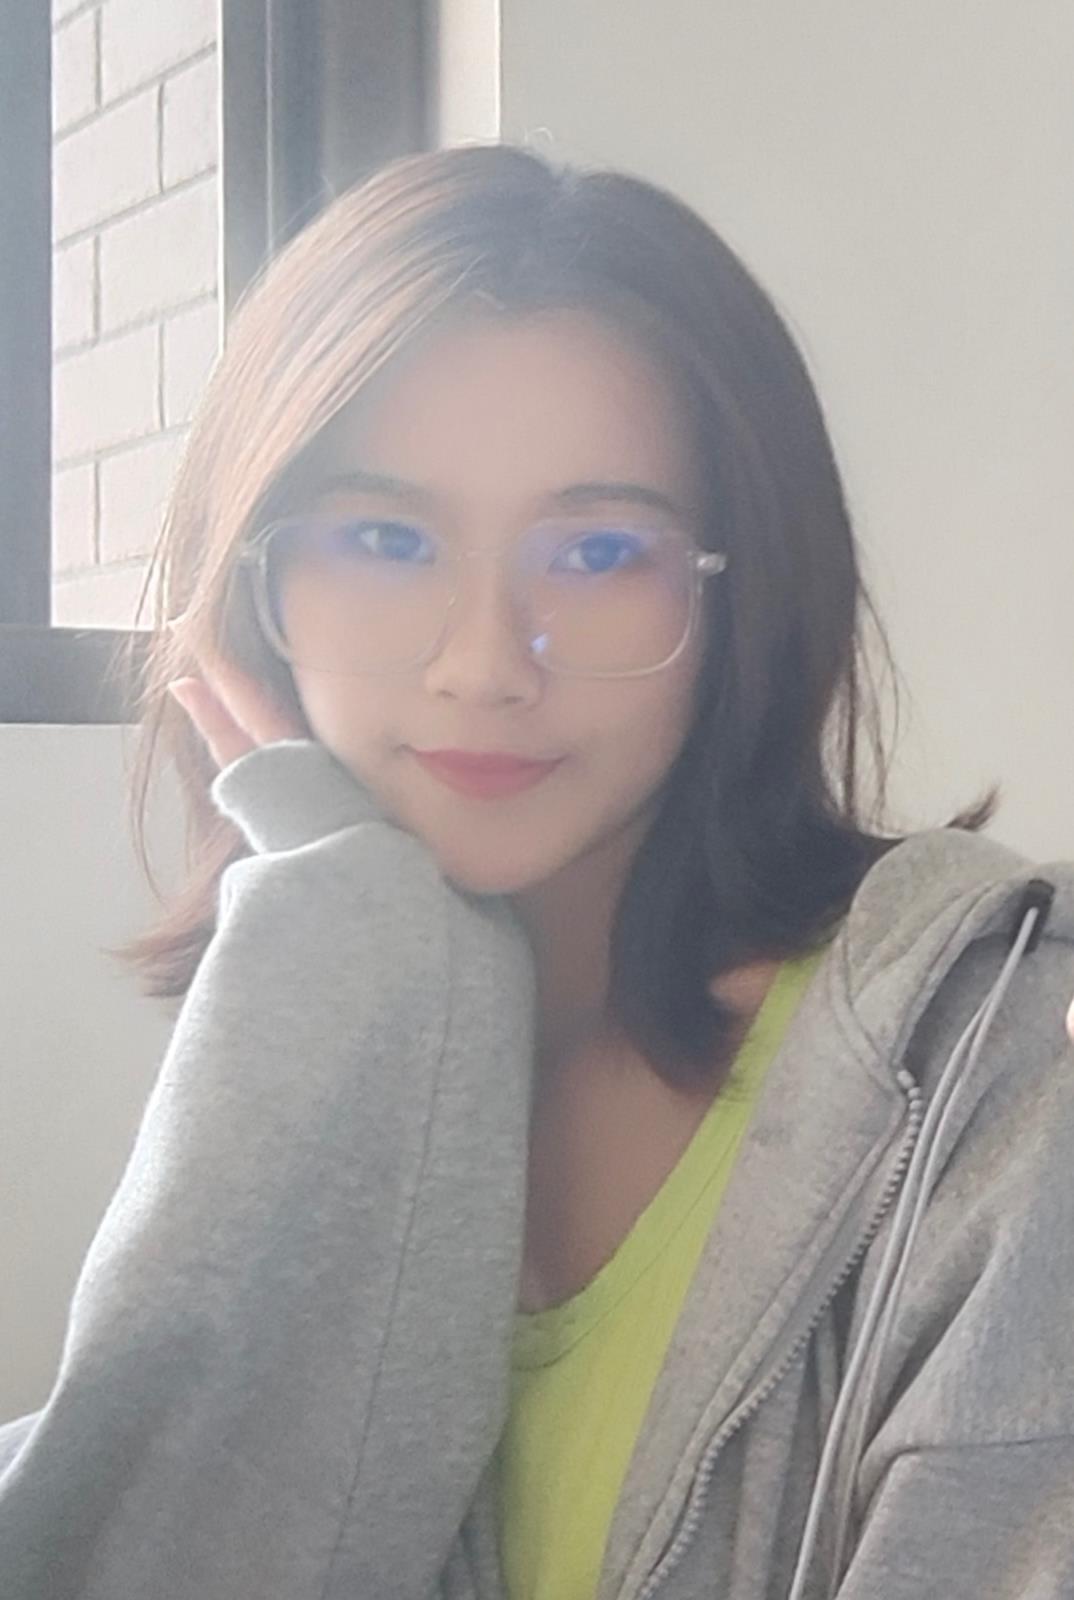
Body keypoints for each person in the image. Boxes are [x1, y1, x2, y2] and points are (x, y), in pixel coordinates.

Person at [1, 144, 1072, 1600]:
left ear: (741, 588)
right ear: (250, 578)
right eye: (387, 539)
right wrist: (358, 960)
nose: (484, 664)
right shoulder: (326, 1001)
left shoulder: (993, 1082)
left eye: (602, 552)